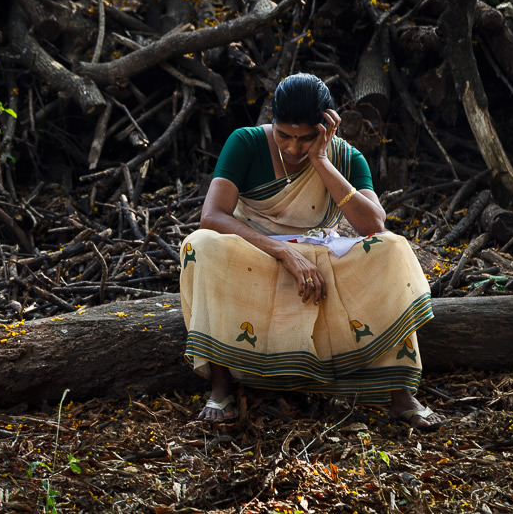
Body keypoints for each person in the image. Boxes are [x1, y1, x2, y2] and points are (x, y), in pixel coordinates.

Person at [178, 72, 447, 430]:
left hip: (318, 258)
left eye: (305, 139)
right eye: (284, 136)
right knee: (199, 244)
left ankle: (400, 394)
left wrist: (321, 161)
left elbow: (373, 227)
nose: (292, 148)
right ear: (272, 123)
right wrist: (284, 252)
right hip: (252, 256)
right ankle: (222, 385)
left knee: (393, 248)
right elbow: (211, 216)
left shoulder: (346, 158)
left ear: (326, 128)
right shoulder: (245, 143)